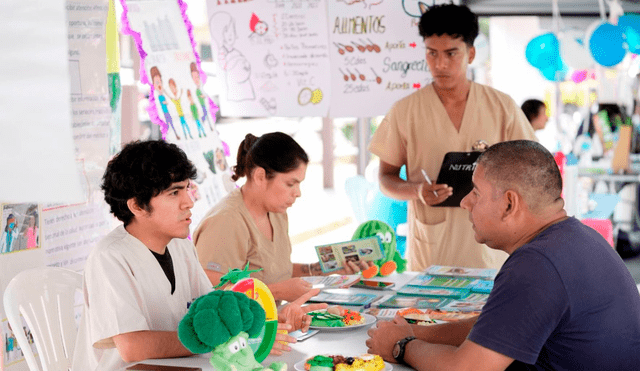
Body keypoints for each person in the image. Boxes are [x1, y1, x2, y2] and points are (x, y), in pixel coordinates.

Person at [366, 140, 640, 371]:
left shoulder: (537, 265)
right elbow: (495, 326)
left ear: (509, 203)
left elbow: (468, 369)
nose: (465, 202)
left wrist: (401, 346)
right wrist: (416, 333)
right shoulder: (576, 237)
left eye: (475, 192)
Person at [72, 140, 326, 370]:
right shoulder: (110, 257)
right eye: (174, 193)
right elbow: (133, 347)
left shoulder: (180, 245)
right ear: (137, 205)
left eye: (187, 189)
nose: (189, 202)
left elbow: (213, 312)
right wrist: (225, 339)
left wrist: (264, 322)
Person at [368, 4, 536, 271]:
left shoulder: (501, 107)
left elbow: (531, 169)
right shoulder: (405, 111)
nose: (440, 64)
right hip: (432, 250)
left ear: (470, 54)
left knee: (491, 309)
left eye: (451, 53)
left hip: (490, 251)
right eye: (432, 54)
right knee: (426, 312)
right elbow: (385, 179)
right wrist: (417, 191)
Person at [194, 132, 372, 303]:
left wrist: (324, 269)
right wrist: (277, 292)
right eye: (290, 184)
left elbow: (275, 272)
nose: (298, 193)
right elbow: (212, 288)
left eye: (299, 184)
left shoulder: (276, 212)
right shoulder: (226, 221)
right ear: (260, 176)